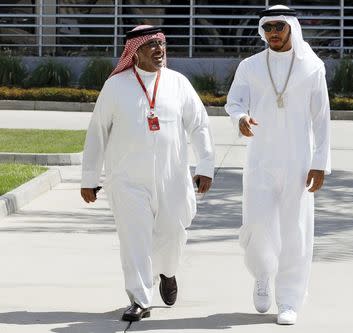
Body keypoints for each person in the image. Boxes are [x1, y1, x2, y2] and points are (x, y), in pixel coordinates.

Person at [80, 25, 215, 322]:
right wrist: (90, 178)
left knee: (173, 232)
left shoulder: (178, 83)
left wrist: (205, 166)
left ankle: (167, 271)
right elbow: (97, 133)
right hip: (127, 180)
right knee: (134, 239)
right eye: (151, 45)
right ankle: (139, 298)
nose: (159, 50)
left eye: (161, 43)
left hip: (173, 179)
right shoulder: (116, 87)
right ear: (135, 52)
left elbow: (200, 125)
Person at [225, 5, 331, 325]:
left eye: (279, 27)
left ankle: (289, 300)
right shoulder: (250, 66)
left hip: (298, 161)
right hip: (260, 160)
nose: (273, 32)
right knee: (257, 225)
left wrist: (320, 162)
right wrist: (240, 118)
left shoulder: (312, 67)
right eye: (268, 26)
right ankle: (262, 273)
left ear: (291, 28)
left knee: (294, 231)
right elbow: (235, 101)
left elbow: (321, 118)